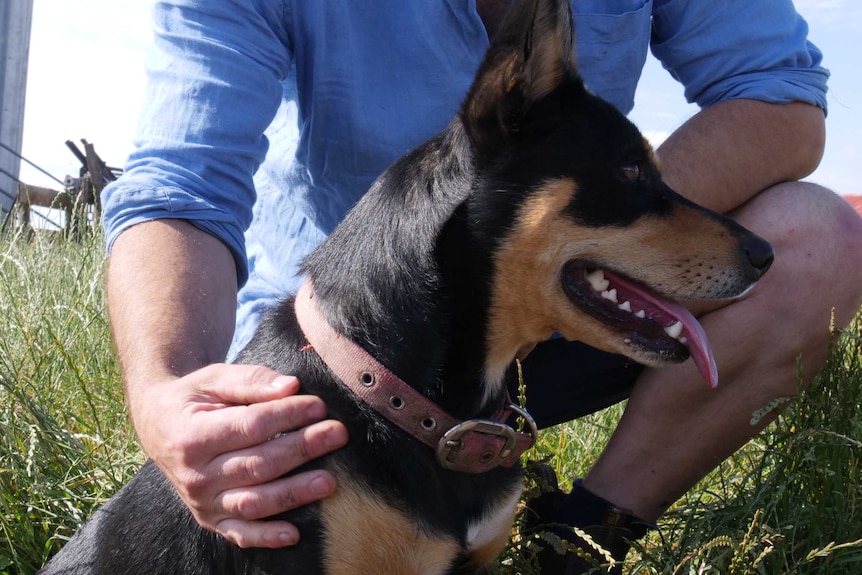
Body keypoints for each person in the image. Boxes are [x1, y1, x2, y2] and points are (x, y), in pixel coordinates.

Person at [100, 0, 862, 571]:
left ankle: (575, 546)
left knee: (818, 239)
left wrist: (578, 253)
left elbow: (784, 99)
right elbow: (180, 185)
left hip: (550, 313)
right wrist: (167, 393)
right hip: (337, 353)